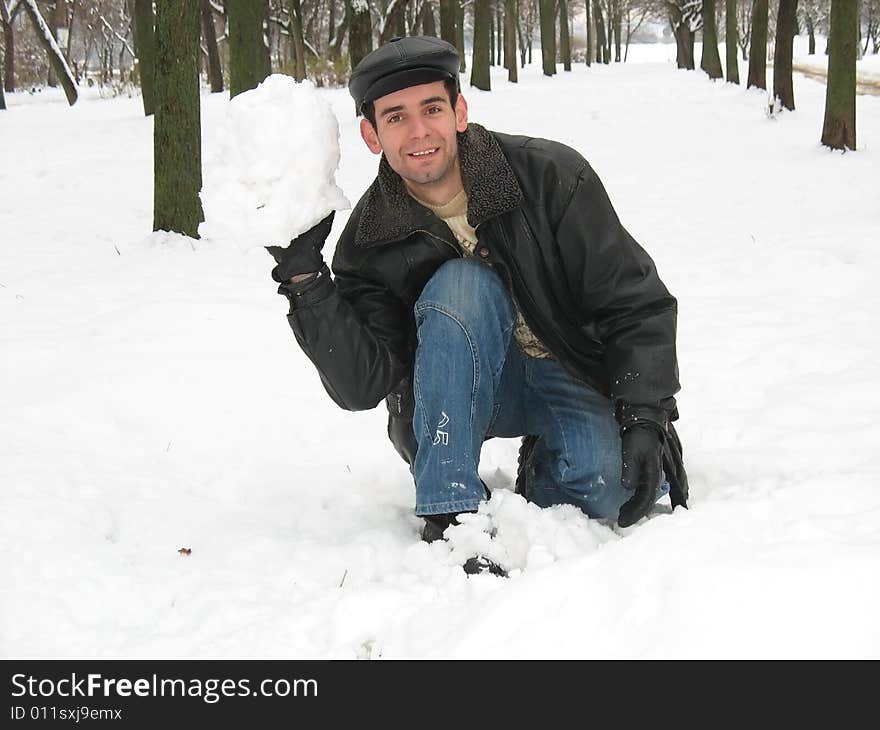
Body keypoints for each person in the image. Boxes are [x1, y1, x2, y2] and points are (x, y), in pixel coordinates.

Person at [267, 37, 688, 573]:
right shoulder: (369, 239)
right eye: (396, 117)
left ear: (460, 111)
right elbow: (362, 384)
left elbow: (633, 301)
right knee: (463, 285)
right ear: (371, 135)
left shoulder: (551, 176)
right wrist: (306, 278)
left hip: (566, 366)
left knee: (609, 489)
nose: (419, 132)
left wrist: (643, 413)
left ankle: (546, 462)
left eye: (433, 109)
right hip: (453, 393)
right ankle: (452, 514)